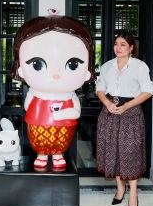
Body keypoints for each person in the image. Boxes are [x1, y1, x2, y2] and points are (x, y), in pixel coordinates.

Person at [10, 14, 96, 169]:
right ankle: (41, 155)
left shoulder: (70, 96)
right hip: (37, 125)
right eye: (37, 64)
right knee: (39, 142)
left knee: (61, 143)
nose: (55, 74)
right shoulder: (35, 93)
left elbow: (76, 112)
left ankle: (58, 155)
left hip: (64, 128)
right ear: (21, 69)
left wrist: (60, 115)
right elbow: (27, 106)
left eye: (73, 64)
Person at [96, 32, 153, 206]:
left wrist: (127, 106)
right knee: (113, 152)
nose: (118, 47)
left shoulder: (139, 66)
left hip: (131, 112)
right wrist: (107, 103)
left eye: (123, 44)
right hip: (109, 112)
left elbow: (148, 91)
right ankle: (120, 189)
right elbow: (99, 88)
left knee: (130, 154)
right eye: (116, 44)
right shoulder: (107, 66)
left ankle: (133, 194)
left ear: (131, 48)